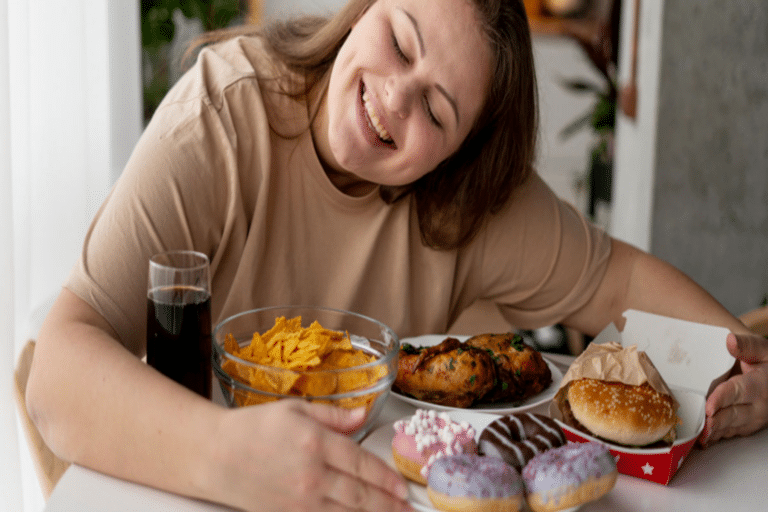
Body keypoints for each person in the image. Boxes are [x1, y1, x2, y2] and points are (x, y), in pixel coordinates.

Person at [25, 0, 767, 510]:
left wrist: (755, 365)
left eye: (438, 111)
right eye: (399, 41)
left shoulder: (471, 199)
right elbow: (56, 374)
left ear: (456, 155)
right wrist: (227, 454)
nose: (394, 98)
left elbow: (620, 279)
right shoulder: (222, 117)